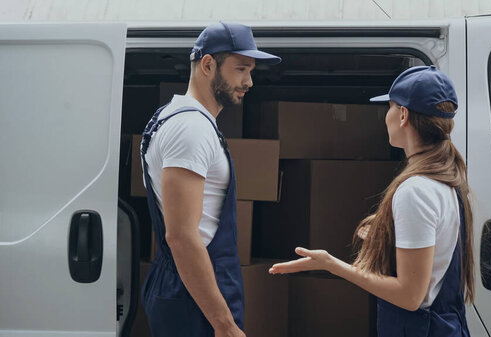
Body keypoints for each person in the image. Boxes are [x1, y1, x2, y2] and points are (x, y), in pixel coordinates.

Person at [270, 65, 473, 337]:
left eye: (389, 107)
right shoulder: (444, 181)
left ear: (403, 115)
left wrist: (331, 265)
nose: (385, 116)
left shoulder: (416, 190)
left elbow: (410, 296)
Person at [140, 22, 281, 337]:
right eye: (241, 69)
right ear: (208, 65)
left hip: (187, 288)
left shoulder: (172, 117)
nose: (249, 82)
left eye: (251, 71)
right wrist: (224, 324)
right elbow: (182, 237)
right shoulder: (191, 128)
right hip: (193, 298)